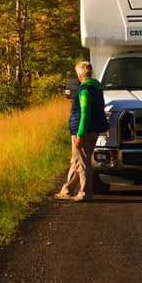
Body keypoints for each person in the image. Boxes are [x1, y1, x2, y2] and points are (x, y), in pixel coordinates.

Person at [56, 61, 107, 202]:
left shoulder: (84, 90)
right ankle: (66, 191)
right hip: (94, 129)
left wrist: (80, 135)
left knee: (82, 163)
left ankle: (85, 193)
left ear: (79, 76)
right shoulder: (97, 88)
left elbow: (85, 113)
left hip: (84, 130)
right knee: (76, 160)